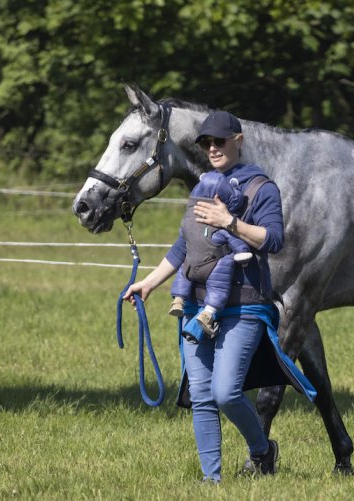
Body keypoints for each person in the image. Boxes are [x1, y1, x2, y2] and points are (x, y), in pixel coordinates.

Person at [123, 110, 315, 483]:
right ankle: (211, 480)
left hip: (244, 305)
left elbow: (274, 240)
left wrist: (231, 222)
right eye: (206, 142)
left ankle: (262, 451)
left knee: (226, 393)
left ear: (238, 141)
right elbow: (184, 246)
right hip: (196, 304)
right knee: (202, 396)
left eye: (219, 141)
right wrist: (150, 283)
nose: (212, 148)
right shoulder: (201, 187)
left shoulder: (262, 187)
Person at [167, 168, 253, 340]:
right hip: (213, 267)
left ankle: (178, 299)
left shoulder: (187, 221)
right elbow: (233, 239)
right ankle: (208, 313)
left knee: (184, 271)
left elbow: (183, 243)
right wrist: (242, 253)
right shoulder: (219, 223)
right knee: (219, 283)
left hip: (191, 265)